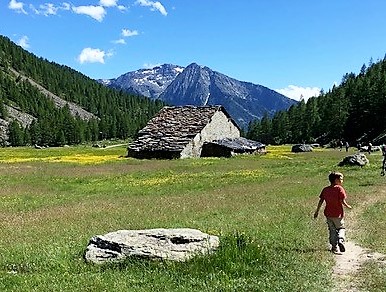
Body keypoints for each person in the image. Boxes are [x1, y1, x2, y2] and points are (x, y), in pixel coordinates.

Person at [313, 172, 352, 253]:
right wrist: (347, 206)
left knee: (332, 230)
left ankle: (334, 247)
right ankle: (341, 239)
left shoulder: (325, 189)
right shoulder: (339, 188)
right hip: (338, 214)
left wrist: (317, 211)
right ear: (336, 180)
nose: (342, 180)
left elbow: (321, 201)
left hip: (328, 214)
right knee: (341, 228)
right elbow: (342, 201)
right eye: (341, 179)